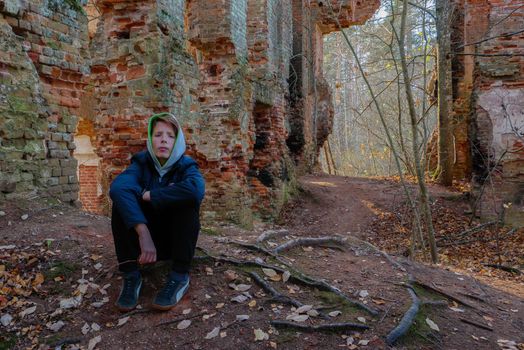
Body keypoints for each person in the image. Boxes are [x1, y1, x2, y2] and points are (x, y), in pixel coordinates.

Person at [109, 112, 205, 312]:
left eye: (170, 136)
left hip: (173, 243)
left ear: (177, 141)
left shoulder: (186, 166)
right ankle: (131, 275)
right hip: (144, 247)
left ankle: (179, 277)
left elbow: (196, 190)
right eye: (158, 134)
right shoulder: (141, 163)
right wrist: (143, 234)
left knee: (187, 203)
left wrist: (150, 195)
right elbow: (118, 188)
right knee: (121, 202)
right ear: (151, 139)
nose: (163, 140)